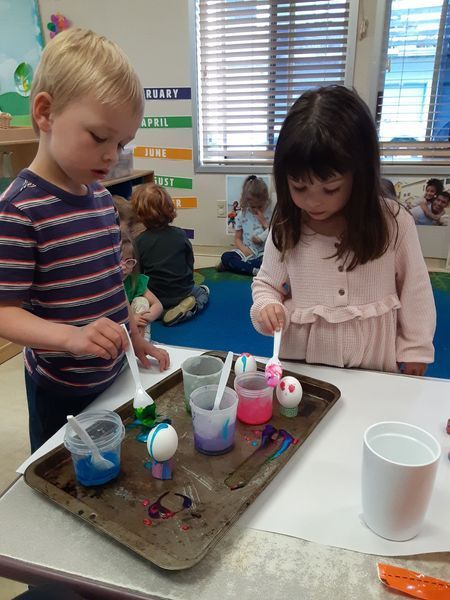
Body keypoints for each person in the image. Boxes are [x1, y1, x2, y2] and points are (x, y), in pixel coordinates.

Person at [0, 29, 169, 452]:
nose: (112, 155)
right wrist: (71, 338)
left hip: (112, 374)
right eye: (98, 137)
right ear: (45, 112)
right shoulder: (20, 210)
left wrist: (136, 337)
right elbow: (3, 312)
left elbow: (112, 286)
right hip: (60, 391)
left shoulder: (100, 198)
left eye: (122, 142)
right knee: (66, 480)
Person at [251, 85, 436, 376]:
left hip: (372, 362)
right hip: (303, 366)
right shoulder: (288, 223)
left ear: (358, 175)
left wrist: (416, 349)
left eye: (330, 188)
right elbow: (266, 284)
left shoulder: (395, 222)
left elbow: (416, 291)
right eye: (299, 187)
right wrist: (266, 306)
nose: (312, 201)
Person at [131, 183, 210, 326]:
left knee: (146, 303)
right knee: (203, 292)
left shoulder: (138, 242)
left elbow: (139, 273)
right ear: (169, 208)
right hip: (183, 292)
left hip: (156, 297)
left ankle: (161, 313)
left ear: (139, 214)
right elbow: (189, 262)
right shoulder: (180, 234)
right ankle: (185, 310)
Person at [218, 175, 272, 276]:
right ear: (246, 201)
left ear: (265, 201)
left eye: (260, 206)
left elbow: (273, 235)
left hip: (263, 254)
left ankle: (244, 267)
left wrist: (264, 222)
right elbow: (237, 239)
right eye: (252, 206)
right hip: (246, 252)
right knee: (226, 257)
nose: (256, 209)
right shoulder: (241, 215)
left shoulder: (270, 214)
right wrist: (244, 250)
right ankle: (254, 270)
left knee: (274, 261)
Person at [121, 235, 163, 339]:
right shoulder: (106, 285)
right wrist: (130, 320)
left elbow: (158, 305)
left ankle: (143, 342)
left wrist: (144, 318)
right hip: (117, 327)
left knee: (142, 301)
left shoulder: (136, 280)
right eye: (119, 261)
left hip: (136, 328)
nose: (124, 267)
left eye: (129, 261)